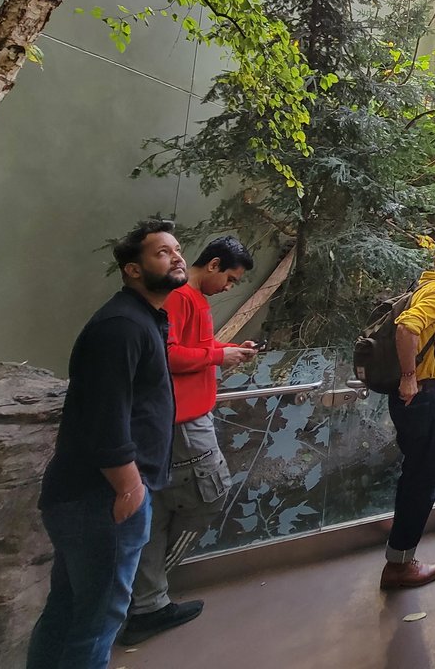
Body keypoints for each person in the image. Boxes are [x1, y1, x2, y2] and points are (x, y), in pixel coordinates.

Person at [26, 220, 183, 669]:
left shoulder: (143, 319)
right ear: (133, 270)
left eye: (176, 250)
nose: (176, 257)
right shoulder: (121, 327)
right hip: (103, 499)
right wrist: (130, 489)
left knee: (70, 610)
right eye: (162, 252)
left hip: (93, 497)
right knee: (98, 622)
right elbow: (105, 418)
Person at [120, 236, 258, 644]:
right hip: (182, 421)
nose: (230, 288)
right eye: (230, 279)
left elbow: (194, 347)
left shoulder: (194, 299)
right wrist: (217, 357)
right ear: (213, 265)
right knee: (209, 494)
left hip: (187, 416)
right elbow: (166, 354)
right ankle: (148, 590)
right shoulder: (180, 296)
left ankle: (147, 600)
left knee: (162, 508)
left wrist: (229, 349)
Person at [380, 240, 435, 590]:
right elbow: (406, 327)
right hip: (423, 394)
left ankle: (400, 556)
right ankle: (401, 564)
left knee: (413, 474)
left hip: (414, 396)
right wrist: (409, 377)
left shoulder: (424, 284)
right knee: (421, 480)